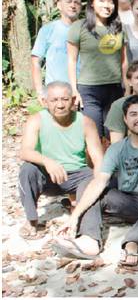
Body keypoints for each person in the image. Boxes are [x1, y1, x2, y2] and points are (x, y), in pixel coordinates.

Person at [51, 95, 138, 265]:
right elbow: (100, 181)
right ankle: (90, 240)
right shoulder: (116, 149)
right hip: (130, 203)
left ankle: (135, 241)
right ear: (125, 119)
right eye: (133, 114)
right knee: (88, 184)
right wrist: (74, 216)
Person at [18, 82, 103, 239]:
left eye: (64, 99)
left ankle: (85, 228)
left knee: (93, 178)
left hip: (77, 175)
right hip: (48, 175)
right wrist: (48, 161)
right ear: (45, 102)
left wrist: (99, 182)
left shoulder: (85, 122)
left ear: (72, 100)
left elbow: (99, 160)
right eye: (54, 100)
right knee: (27, 169)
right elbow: (25, 151)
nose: (60, 105)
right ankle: (31, 220)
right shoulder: (36, 120)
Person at [67, 0, 126, 140]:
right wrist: (74, 90)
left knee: (115, 135)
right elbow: (71, 60)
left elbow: (124, 61)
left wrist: (127, 88)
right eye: (102, 1)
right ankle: (96, 165)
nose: (107, 5)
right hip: (89, 90)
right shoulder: (79, 27)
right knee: (94, 135)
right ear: (92, 2)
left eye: (111, 1)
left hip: (114, 89)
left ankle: (114, 164)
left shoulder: (120, 28)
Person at [31, 0, 82, 105]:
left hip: (83, 91)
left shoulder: (86, 30)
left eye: (76, 2)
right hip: (56, 93)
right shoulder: (48, 30)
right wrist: (40, 92)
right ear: (59, 5)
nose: (73, 5)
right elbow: (35, 62)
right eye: (68, 2)